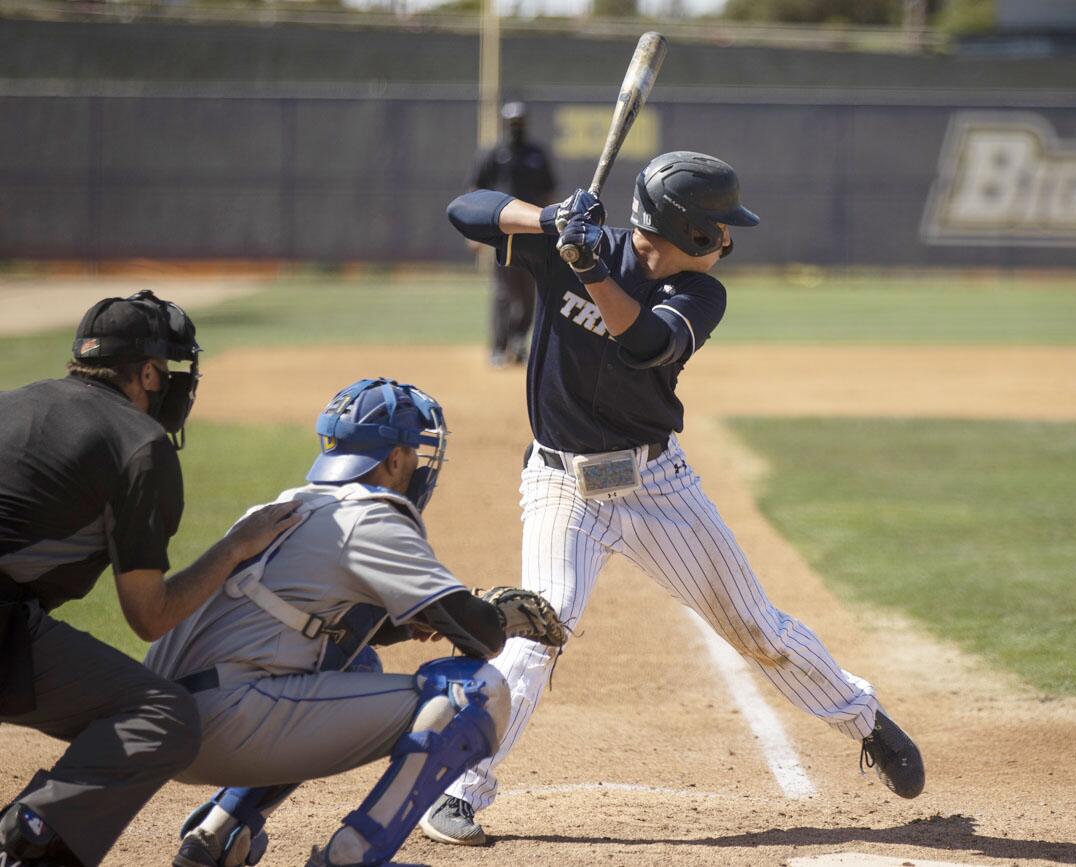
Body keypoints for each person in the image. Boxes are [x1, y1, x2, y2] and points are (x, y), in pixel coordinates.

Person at [426, 151, 926, 845]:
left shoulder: (700, 293)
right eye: (721, 229)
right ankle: (457, 787)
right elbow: (466, 210)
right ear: (688, 230)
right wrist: (548, 221)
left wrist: (587, 267)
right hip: (563, 482)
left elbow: (645, 342)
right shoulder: (574, 241)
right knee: (540, 626)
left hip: (655, 483)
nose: (729, 240)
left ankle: (865, 720)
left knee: (758, 628)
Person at [146, 377, 564, 867]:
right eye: (414, 452)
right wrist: (494, 614)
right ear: (392, 460)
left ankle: (217, 833)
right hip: (228, 725)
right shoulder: (371, 516)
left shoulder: (287, 504)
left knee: (357, 663)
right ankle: (352, 855)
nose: (420, 466)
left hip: (166, 726)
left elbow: (337, 625)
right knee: (475, 693)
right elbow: (481, 635)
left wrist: (417, 623)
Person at [0, 291, 301, 867]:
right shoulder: (139, 444)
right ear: (144, 372)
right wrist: (236, 546)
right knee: (162, 716)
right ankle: (29, 845)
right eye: (167, 371)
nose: (172, 385)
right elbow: (151, 618)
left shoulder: (16, 402)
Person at [469, 101, 557, 367]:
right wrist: (474, 232)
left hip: (532, 230)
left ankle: (519, 342)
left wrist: (552, 226)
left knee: (529, 289)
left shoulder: (536, 154)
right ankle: (499, 346)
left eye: (519, 122)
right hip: (502, 231)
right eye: (512, 122)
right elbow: (476, 189)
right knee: (503, 291)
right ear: (504, 123)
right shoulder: (493, 153)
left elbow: (549, 191)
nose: (516, 127)